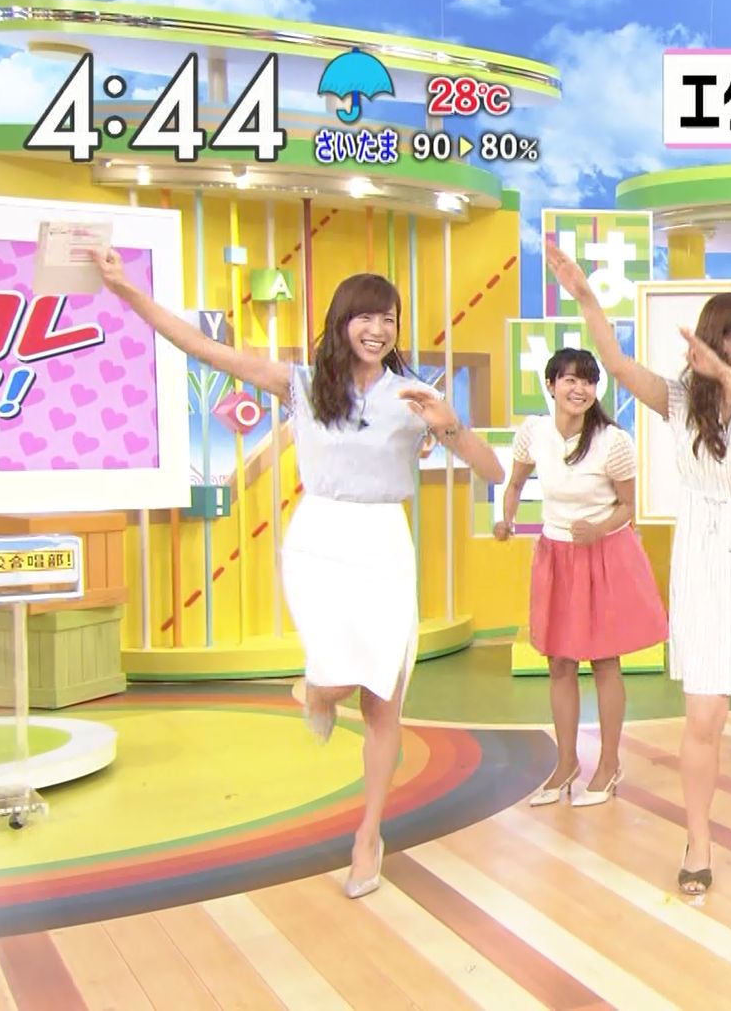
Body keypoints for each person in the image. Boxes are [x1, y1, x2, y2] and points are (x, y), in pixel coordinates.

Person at [93, 247, 505, 900]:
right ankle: (317, 689)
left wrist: (448, 426)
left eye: (389, 319)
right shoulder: (302, 384)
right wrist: (126, 291)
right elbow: (202, 348)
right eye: (365, 317)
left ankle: (368, 835)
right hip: (319, 539)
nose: (377, 330)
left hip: (383, 541)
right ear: (342, 321)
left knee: (383, 696)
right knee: (338, 681)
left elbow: (492, 470)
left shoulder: (414, 394)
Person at [541, 239, 731, 896]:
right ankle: (698, 839)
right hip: (705, 558)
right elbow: (615, 363)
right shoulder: (677, 399)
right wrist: (586, 298)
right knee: (703, 717)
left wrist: (727, 376)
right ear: (724, 334)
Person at [495, 348, 667, 808]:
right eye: (570, 380)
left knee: (605, 661)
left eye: (588, 381)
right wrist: (506, 518)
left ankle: (608, 764)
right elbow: (515, 483)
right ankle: (566, 762)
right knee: (560, 663)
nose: (580, 389)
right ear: (550, 385)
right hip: (556, 554)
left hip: (603, 553)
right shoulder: (533, 433)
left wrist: (597, 529)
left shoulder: (613, 442)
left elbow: (628, 506)